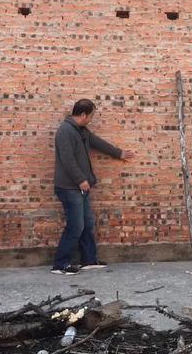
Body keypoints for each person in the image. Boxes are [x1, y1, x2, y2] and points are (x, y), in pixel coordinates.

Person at [52, 99, 134, 275]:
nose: (91, 119)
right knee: (75, 226)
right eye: (90, 116)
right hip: (69, 187)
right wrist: (81, 179)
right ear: (83, 115)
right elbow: (67, 160)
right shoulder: (65, 131)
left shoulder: (81, 130)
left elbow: (97, 142)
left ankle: (88, 259)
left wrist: (118, 153)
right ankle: (60, 263)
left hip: (81, 187)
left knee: (87, 223)